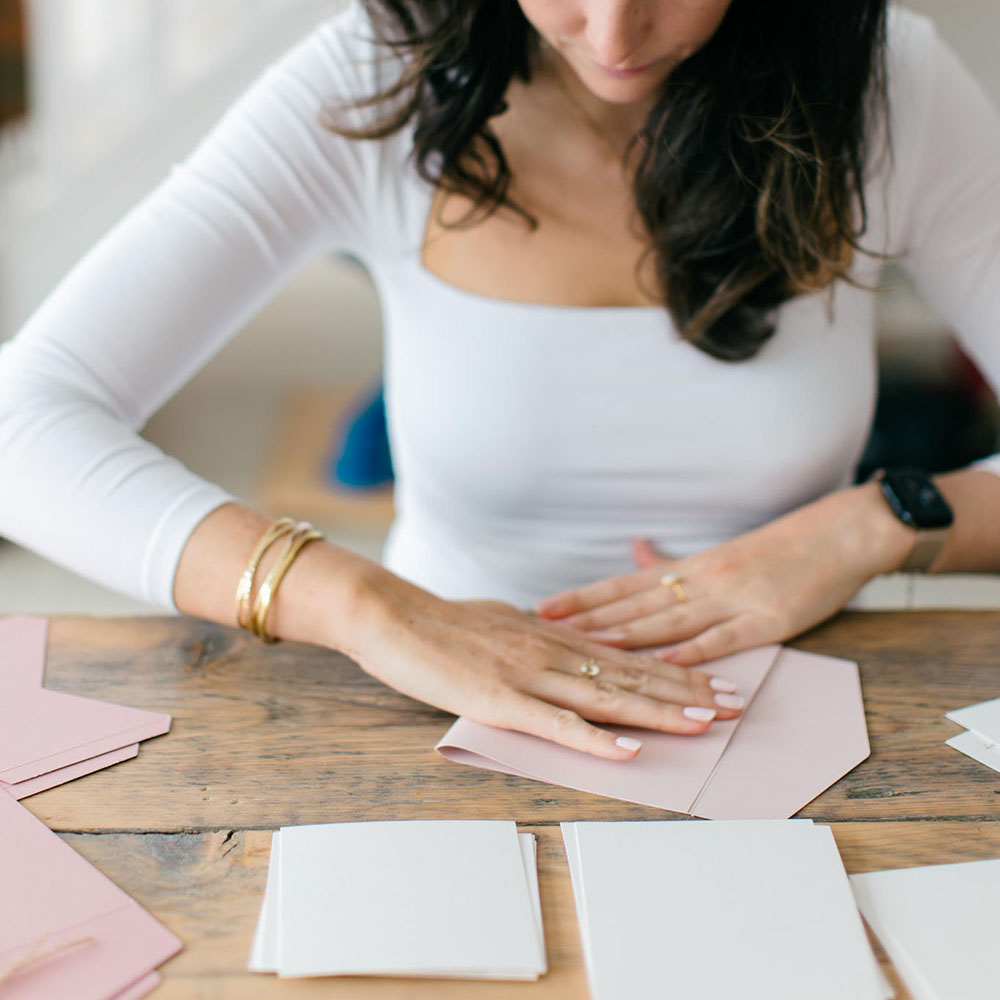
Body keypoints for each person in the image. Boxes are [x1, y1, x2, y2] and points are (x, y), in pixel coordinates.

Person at [1, 1, 999, 760]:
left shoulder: (883, 83)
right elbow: (22, 422)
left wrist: (879, 522)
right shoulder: (382, 72)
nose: (614, 33)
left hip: (785, 720)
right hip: (422, 718)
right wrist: (361, 603)